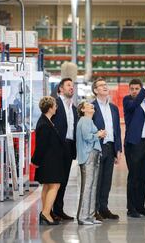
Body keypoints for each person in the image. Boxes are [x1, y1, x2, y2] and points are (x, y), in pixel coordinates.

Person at [123, 75, 145, 218]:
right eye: (132, 89)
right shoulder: (128, 101)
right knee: (134, 177)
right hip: (135, 144)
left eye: (137, 89)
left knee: (144, 177)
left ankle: (140, 206)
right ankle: (131, 209)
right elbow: (135, 103)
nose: (135, 91)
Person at [92, 78, 122, 220]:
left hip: (110, 148)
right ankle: (94, 210)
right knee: (96, 180)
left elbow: (117, 130)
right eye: (101, 85)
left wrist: (118, 149)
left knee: (106, 180)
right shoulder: (90, 107)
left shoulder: (114, 108)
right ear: (95, 90)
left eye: (105, 85)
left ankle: (104, 208)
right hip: (97, 148)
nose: (105, 87)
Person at [33, 96, 65, 225]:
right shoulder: (44, 124)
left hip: (50, 160)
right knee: (55, 185)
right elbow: (41, 145)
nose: (56, 107)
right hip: (48, 161)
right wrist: (35, 160)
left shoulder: (47, 121)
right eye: (55, 105)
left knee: (47, 185)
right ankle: (46, 213)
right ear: (50, 108)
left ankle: (44, 212)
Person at [51, 78, 78, 221]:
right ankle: (48, 211)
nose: (71, 88)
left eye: (72, 86)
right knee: (54, 180)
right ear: (60, 89)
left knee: (64, 180)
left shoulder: (73, 108)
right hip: (56, 147)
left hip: (69, 146)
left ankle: (59, 210)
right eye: (68, 85)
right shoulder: (54, 104)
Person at [76, 101, 107, 225]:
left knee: (93, 186)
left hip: (93, 155)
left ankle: (90, 215)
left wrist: (98, 134)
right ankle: (83, 217)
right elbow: (87, 137)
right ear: (83, 110)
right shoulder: (85, 120)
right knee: (88, 187)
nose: (92, 106)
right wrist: (98, 134)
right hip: (88, 155)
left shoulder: (89, 121)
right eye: (88, 106)